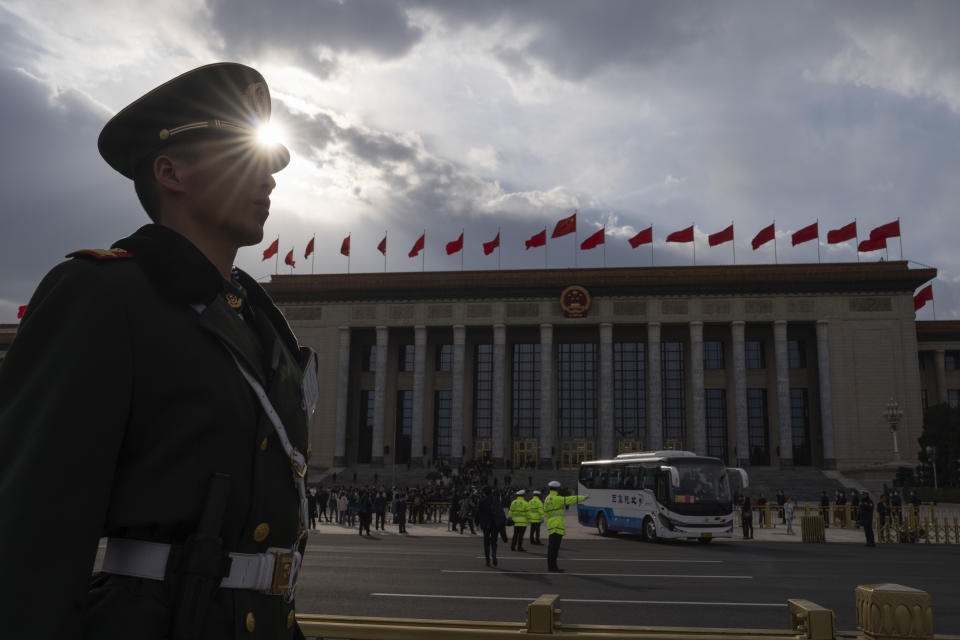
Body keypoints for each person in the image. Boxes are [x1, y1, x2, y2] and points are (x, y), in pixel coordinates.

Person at [0, 63, 314, 639]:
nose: (269, 180)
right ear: (170, 172)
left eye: (270, 166)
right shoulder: (103, 295)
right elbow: (31, 527)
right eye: (245, 161)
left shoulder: (258, 322)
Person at [543, 480, 586, 572]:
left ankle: (551, 566)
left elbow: (546, 512)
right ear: (557, 489)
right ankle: (553, 567)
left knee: (551, 548)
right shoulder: (557, 498)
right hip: (557, 526)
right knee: (554, 549)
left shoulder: (547, 499)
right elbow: (570, 499)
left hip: (551, 525)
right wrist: (583, 498)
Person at [474, 486, 503, 567]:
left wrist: (477, 523)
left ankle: (487, 561)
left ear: (484, 493)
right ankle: (494, 554)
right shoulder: (496, 500)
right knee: (494, 541)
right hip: (494, 524)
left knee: (486, 543)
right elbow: (500, 511)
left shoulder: (482, 501)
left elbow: (478, 512)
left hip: (486, 524)